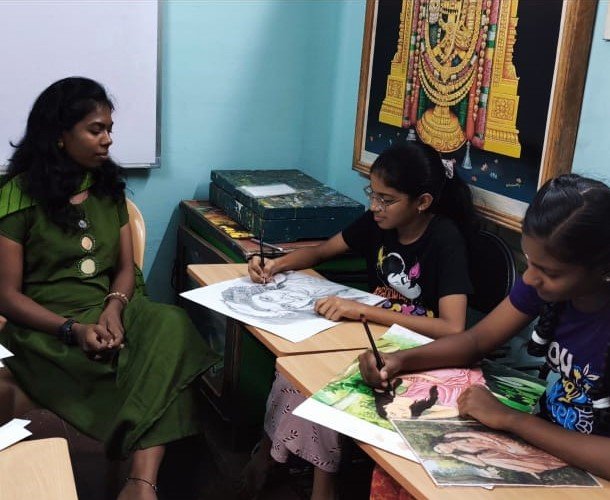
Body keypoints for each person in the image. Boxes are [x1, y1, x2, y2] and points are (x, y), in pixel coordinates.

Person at [0, 77, 217, 500]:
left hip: (110, 309)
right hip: (48, 326)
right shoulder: (16, 197)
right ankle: (143, 480)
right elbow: (7, 296)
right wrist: (72, 330)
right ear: (60, 135)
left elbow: (124, 269)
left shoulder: (106, 187)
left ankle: (137, 483)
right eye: (95, 130)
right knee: (165, 368)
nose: (108, 140)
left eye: (109, 129)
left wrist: (114, 309)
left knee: (172, 323)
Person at [242, 142, 479, 499]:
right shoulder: (377, 223)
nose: (374, 206)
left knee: (326, 388)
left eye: (386, 199)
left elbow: (452, 327)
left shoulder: (445, 239)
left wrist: (363, 310)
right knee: (293, 374)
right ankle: (273, 455)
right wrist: (275, 264)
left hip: (418, 355)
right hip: (370, 337)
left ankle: (322, 484)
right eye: (372, 194)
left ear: (422, 202)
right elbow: (322, 251)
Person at [360, 173, 610, 497]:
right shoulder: (544, 285)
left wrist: (510, 419)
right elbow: (477, 341)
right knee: (400, 471)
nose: (530, 279)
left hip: (590, 469)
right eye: (529, 262)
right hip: (550, 438)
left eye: (549, 272)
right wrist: (399, 360)